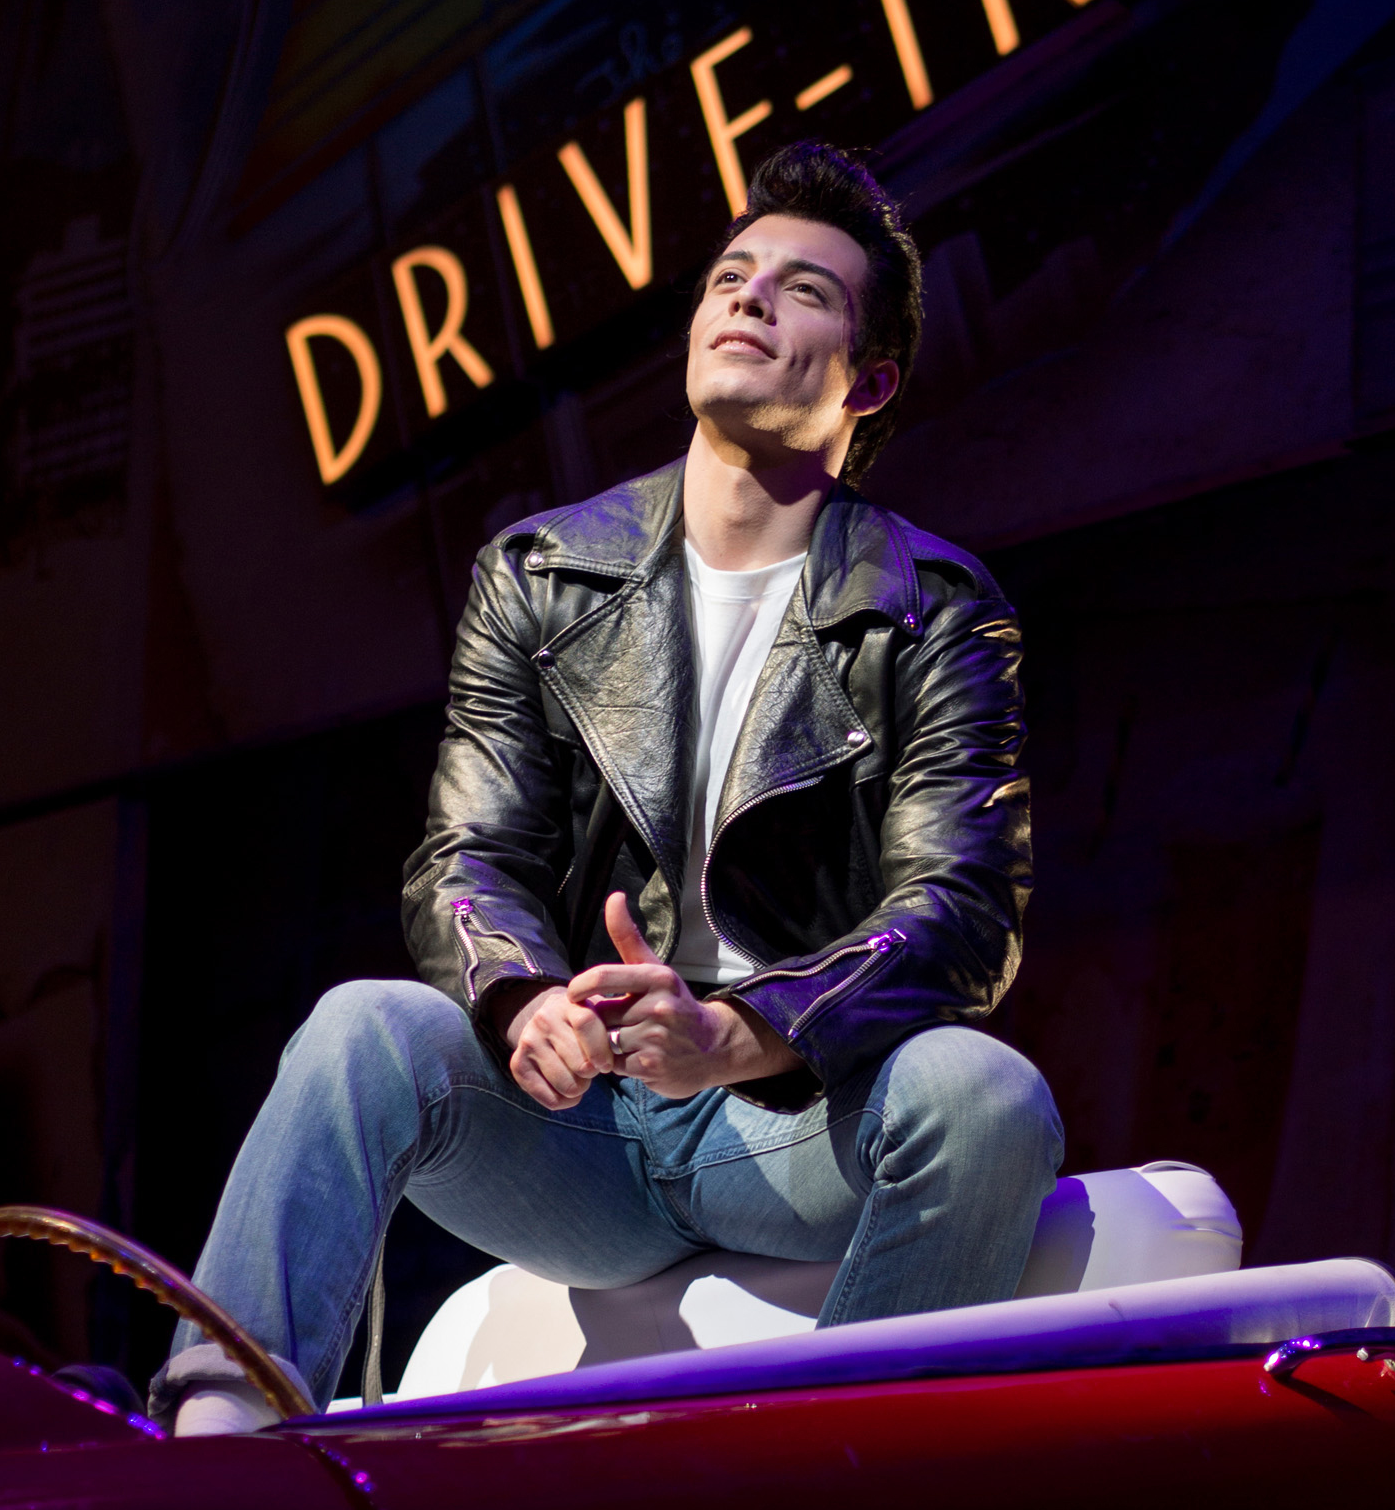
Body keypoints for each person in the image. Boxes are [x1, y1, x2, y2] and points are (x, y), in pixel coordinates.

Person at [151, 141, 1063, 1433]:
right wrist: (524, 998)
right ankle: (214, 1444)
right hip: (581, 1127)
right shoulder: (539, 574)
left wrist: (737, 1033)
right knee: (364, 1029)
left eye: (803, 289)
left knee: (984, 1097)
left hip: (783, 1121)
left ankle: (829, 1491)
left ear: (868, 382)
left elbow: (961, 909)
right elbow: (465, 856)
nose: (750, 297)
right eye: (733, 276)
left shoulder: (936, 609)